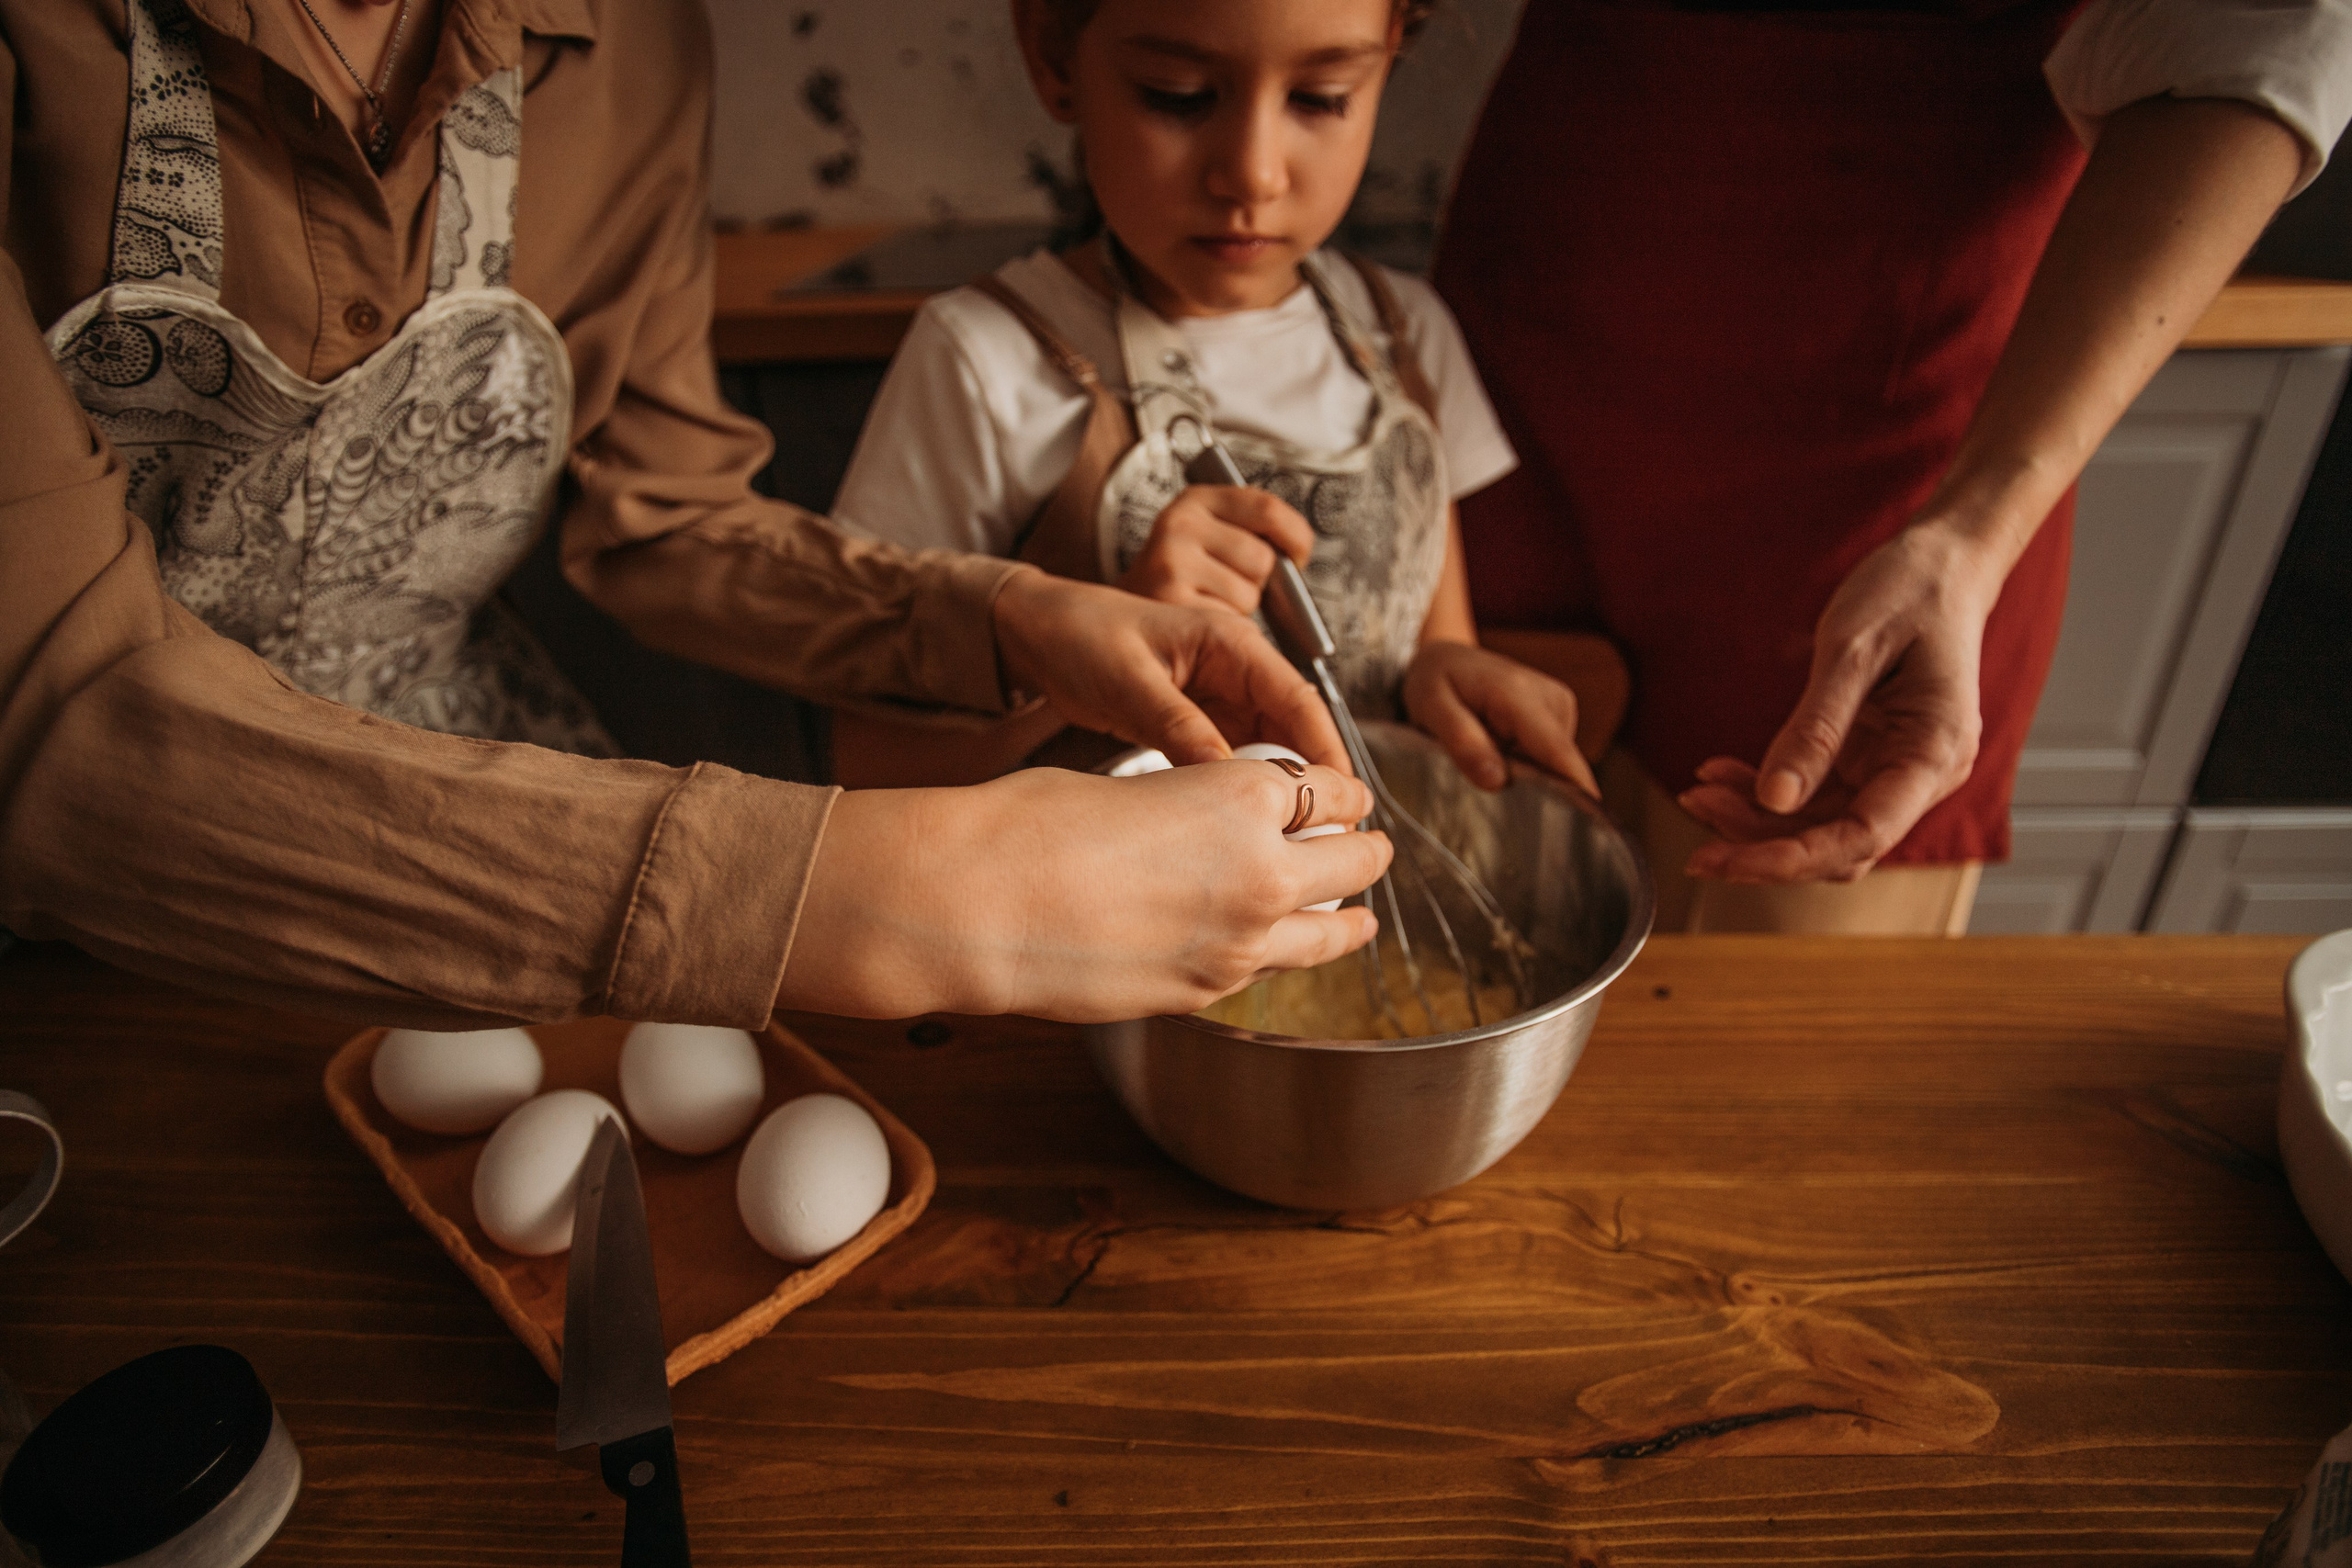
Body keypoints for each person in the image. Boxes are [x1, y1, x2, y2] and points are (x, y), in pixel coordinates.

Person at [0, 0, 1393, 1028]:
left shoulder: (628, 43)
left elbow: (659, 514)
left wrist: (1010, 618)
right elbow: (59, 711)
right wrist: (904, 889)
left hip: (498, 809)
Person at [1433, 0, 2352, 932]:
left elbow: (2257, 43)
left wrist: (1968, 535)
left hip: (1886, 455)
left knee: (1785, 995)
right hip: (1509, 395)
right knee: (1475, 903)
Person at [820, 0, 1599, 800]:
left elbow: (1433, 641)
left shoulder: (1407, 338)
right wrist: (1098, 643)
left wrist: (1449, 670)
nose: (1254, 173)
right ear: (1055, 55)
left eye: (1322, 96)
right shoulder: (981, 361)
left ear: (1389, 54)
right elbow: (874, 776)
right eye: (1178, 93)